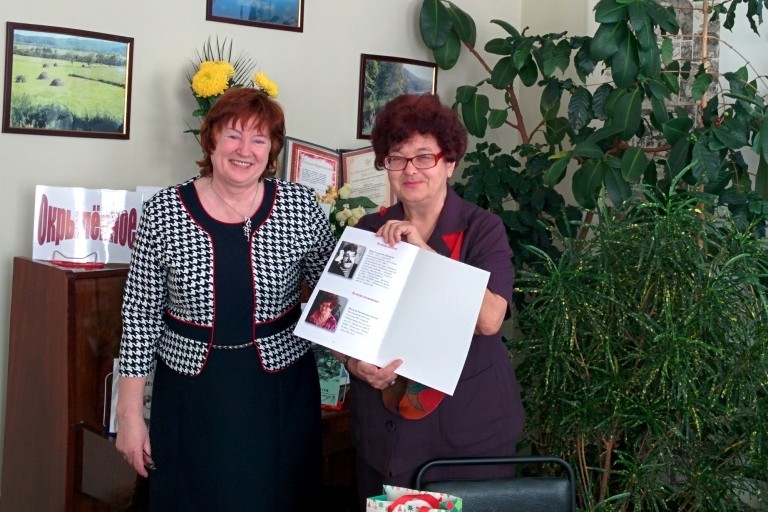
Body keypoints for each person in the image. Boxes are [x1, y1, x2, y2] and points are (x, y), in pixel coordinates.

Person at [116, 87, 336, 511]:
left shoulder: (299, 206)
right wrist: (129, 416)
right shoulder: (164, 212)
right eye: (233, 135)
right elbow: (140, 317)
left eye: (259, 139)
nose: (244, 150)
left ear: (272, 149)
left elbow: (334, 291)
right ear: (211, 139)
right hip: (191, 395)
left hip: (280, 393)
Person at [337, 93, 525, 507]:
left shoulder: (482, 229)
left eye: (424, 157)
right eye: (397, 158)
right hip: (384, 434)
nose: (410, 169)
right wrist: (353, 363)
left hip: (466, 436)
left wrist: (423, 252)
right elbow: (337, 321)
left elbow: (490, 319)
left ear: (449, 163)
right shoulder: (369, 228)